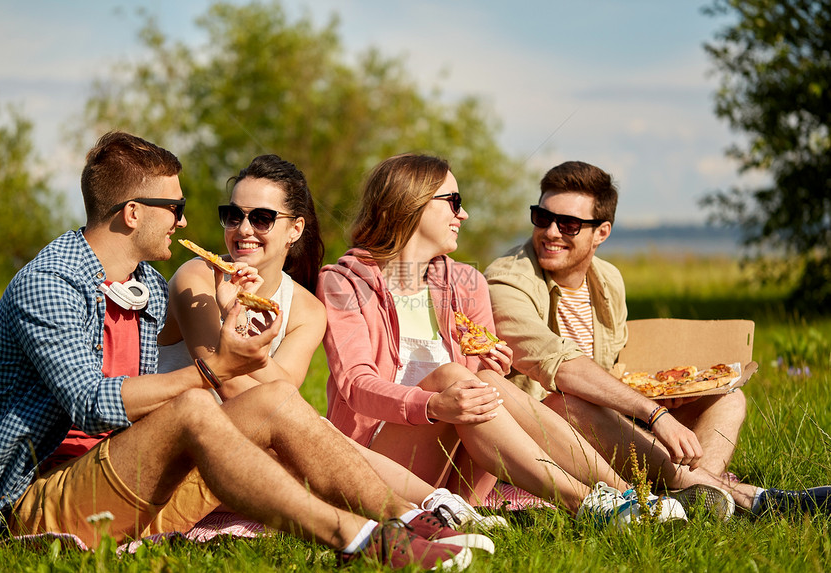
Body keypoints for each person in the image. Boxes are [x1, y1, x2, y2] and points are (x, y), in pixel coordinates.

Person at [0, 132, 477, 570]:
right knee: (192, 404)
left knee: (274, 404)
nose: (185, 223)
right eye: (175, 209)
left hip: (125, 469)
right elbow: (91, 403)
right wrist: (215, 367)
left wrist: (232, 328)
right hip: (36, 497)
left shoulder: (143, 281)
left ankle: (410, 520)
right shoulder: (49, 284)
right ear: (131, 213)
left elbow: (271, 394)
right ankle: (358, 538)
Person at [318, 153, 690, 529]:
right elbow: (356, 385)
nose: (462, 215)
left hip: (459, 475)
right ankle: (585, 502)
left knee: (488, 381)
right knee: (452, 376)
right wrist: (435, 404)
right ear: (411, 203)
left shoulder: (466, 283)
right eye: (454, 202)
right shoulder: (344, 282)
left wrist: (491, 365)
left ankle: (629, 494)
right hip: (376, 464)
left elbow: (480, 382)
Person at [159, 153, 502, 534]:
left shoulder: (306, 307)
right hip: (184, 444)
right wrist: (235, 318)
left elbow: (283, 391)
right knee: (309, 429)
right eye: (233, 215)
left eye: (261, 218)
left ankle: (432, 508)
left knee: (304, 425)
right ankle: (426, 507)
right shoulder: (198, 276)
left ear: (295, 228)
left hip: (257, 441)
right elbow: (229, 381)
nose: (243, 229)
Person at [484, 160, 831, 517]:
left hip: (602, 428)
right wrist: (653, 413)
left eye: (569, 224)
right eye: (542, 217)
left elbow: (613, 368)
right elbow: (556, 365)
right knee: (567, 404)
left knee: (728, 399)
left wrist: (664, 397)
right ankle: (753, 499)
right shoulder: (506, 280)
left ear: (601, 233)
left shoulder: (607, 280)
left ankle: (699, 498)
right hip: (545, 434)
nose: (551, 232)